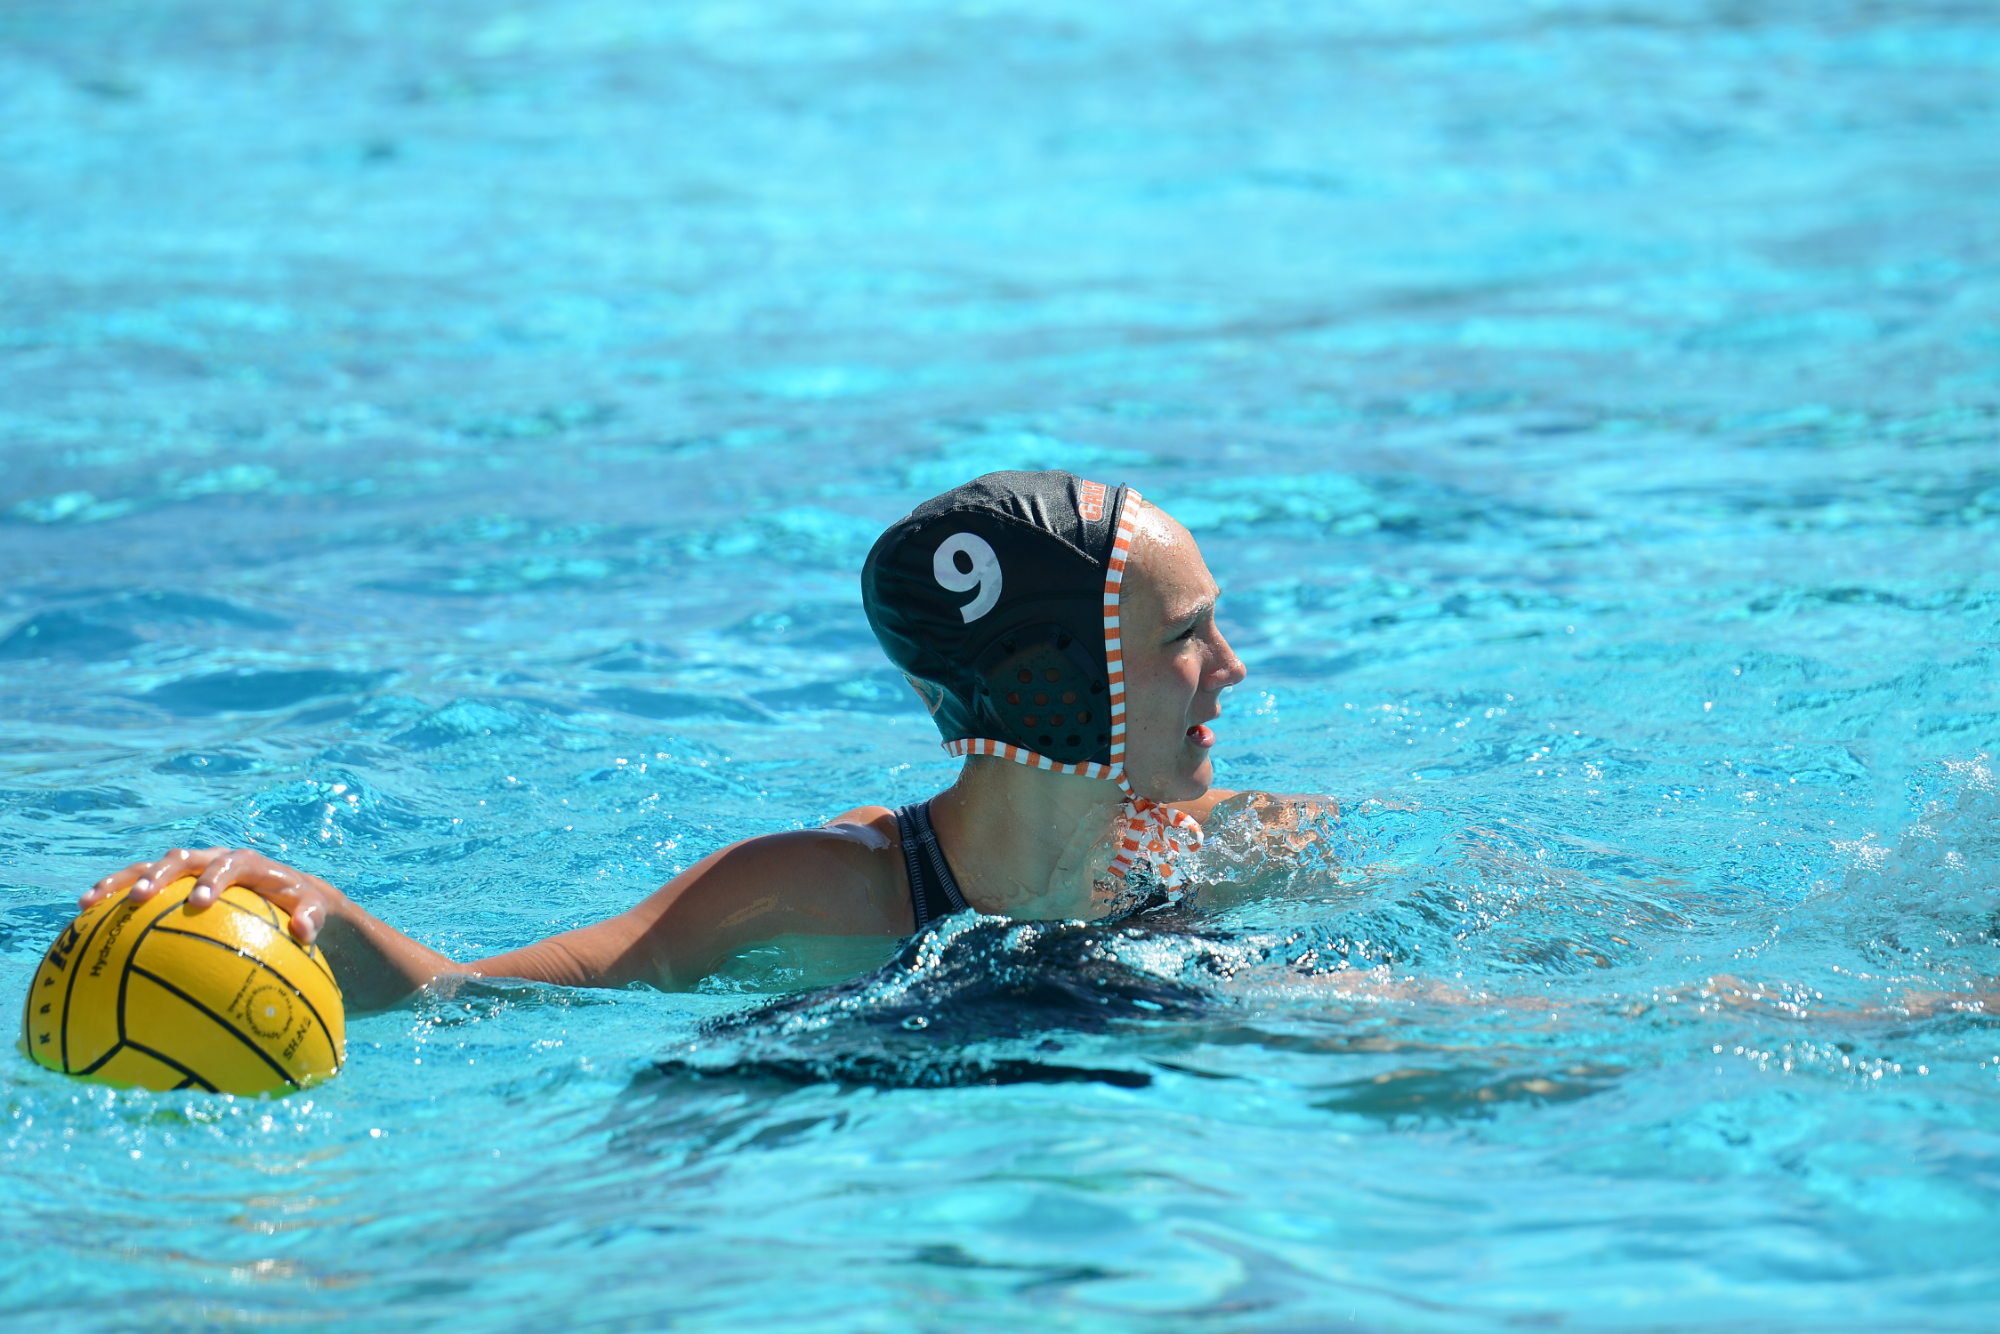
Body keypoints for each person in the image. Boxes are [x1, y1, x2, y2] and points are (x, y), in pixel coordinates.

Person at [82, 472, 1317, 1009]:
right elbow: (485, 998)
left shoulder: (1252, 846)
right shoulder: (810, 891)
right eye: (1186, 634)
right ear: (1059, 681)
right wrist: (337, 927)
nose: (1231, 666)